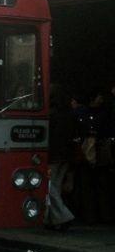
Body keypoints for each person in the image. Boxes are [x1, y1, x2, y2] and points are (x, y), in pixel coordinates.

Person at [45, 85, 75, 230]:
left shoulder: (51, 115)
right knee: (54, 187)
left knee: (49, 188)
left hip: (53, 156)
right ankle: (53, 219)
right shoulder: (68, 114)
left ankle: (63, 216)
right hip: (65, 156)